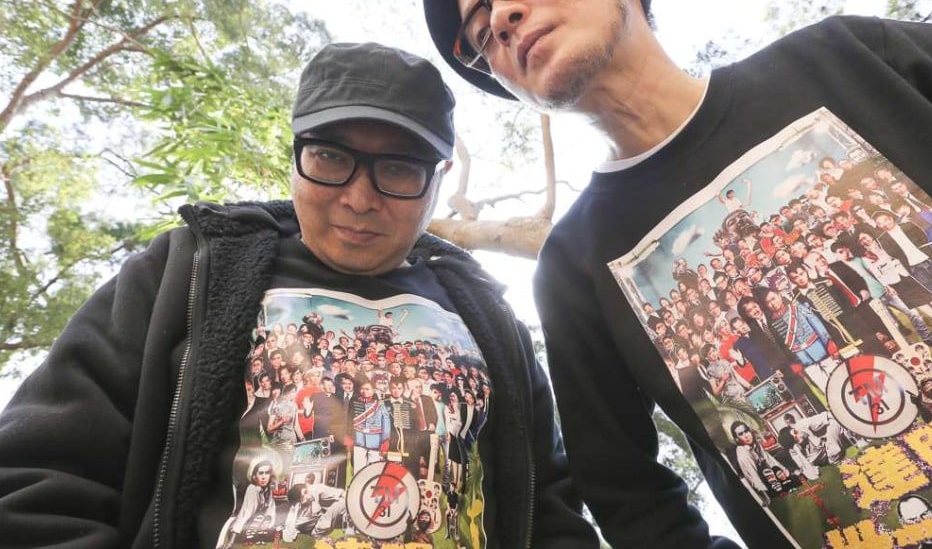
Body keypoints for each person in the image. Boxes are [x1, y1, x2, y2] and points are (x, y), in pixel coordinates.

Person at [422, 0, 932, 548]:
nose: (500, 20)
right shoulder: (572, 266)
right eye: (480, 35)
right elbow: (627, 496)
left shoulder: (845, 61)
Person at [0, 42, 597, 547]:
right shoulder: (187, 271)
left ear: (438, 182)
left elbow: (555, 512)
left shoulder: (487, 315)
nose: (360, 198)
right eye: (331, 157)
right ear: (295, 158)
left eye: (398, 168)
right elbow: (37, 475)